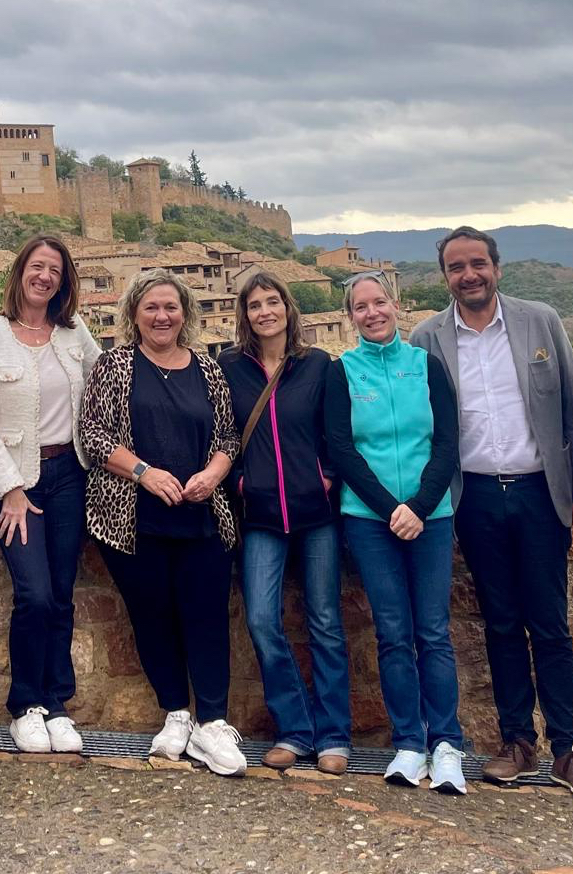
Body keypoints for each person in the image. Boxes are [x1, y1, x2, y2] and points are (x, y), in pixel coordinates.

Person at [409, 228, 573, 803]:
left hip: (539, 494)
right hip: (471, 497)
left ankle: (569, 749)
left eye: (477, 264)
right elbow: (423, 425)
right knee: (498, 623)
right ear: (444, 276)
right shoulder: (428, 338)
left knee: (549, 623)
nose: (468, 275)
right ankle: (516, 742)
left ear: (497, 267)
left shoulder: (539, 321)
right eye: (456, 267)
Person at [78, 269, 247, 776]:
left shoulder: (208, 369)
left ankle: (212, 724)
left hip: (202, 517)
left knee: (207, 617)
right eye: (151, 307)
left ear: (185, 314)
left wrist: (212, 475)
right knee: (151, 617)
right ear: (135, 313)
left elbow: (228, 437)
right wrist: (145, 474)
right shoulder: (115, 365)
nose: (161, 316)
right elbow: (93, 434)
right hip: (133, 518)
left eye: (171, 307)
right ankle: (176, 714)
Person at [324, 271, 466, 792]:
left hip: (431, 516)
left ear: (396, 304)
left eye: (379, 302)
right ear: (350, 317)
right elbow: (342, 450)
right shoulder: (343, 372)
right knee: (392, 633)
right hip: (369, 518)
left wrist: (420, 506)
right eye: (360, 307)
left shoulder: (426, 366)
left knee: (433, 631)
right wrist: (391, 509)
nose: (372, 313)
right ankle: (409, 742)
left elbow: (447, 443)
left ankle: (446, 743)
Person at [0, 236, 101, 754]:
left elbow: (106, 381)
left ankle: (57, 703)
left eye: (55, 271)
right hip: (16, 482)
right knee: (34, 595)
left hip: (71, 474)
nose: (45, 277)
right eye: (37, 267)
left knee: (62, 595)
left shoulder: (74, 333)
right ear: (21, 272)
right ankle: (25, 705)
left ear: (64, 282)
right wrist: (12, 491)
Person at [219, 272, 351, 775]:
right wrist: (240, 484)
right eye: (255, 305)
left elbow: (337, 437)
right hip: (259, 517)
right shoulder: (229, 367)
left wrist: (325, 479)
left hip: (316, 515)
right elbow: (222, 433)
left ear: (288, 309)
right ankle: (295, 731)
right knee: (261, 620)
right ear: (244, 315)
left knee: (324, 623)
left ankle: (335, 735)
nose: (265, 311)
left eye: (273, 302)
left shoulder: (317, 365)